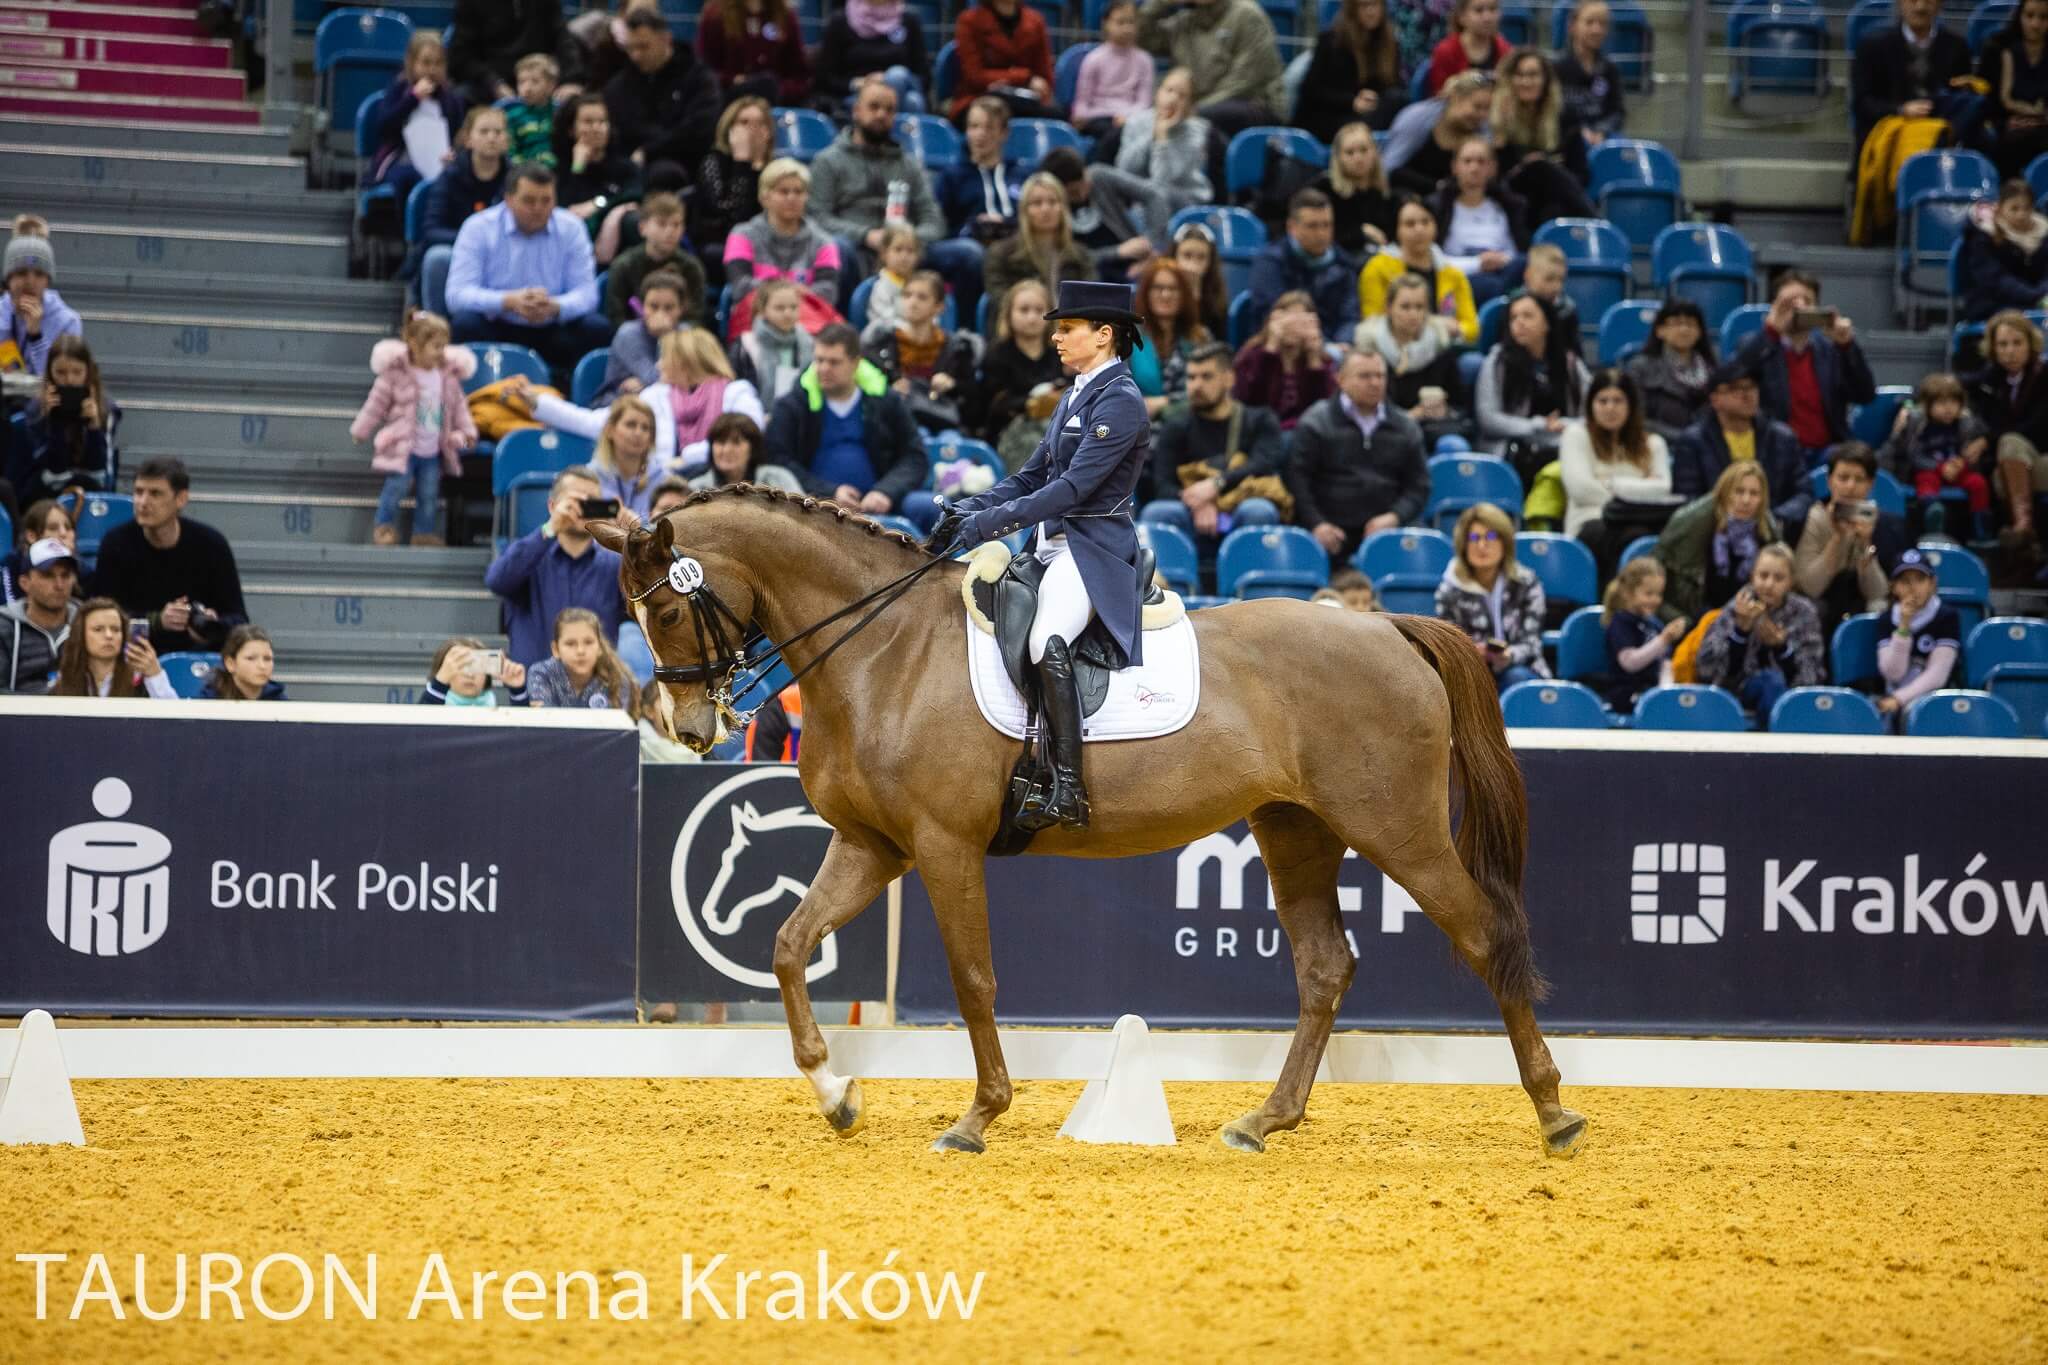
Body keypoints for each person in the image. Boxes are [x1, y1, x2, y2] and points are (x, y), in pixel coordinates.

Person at [922, 280, 1155, 832]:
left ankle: (1069, 786)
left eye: (1067, 328)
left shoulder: (1120, 401)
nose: (1056, 337)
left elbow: (1072, 490)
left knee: (1045, 638)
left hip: (1092, 550)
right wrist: (966, 509)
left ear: (1104, 335)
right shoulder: (1076, 394)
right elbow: (1029, 478)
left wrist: (987, 525)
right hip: (1048, 548)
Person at [445, 164, 611, 378]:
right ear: (509, 199)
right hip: (498, 324)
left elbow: (587, 294)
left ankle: (578, 393)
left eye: (546, 200)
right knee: (465, 324)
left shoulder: (572, 227)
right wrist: (508, 301)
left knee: (596, 327)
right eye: (529, 201)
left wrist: (555, 306)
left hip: (552, 325)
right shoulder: (478, 227)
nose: (538, 208)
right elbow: (457, 295)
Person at [523, 326, 764, 466]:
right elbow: (598, 422)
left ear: (686, 361)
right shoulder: (655, 395)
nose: (658, 365)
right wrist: (539, 402)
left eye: (665, 357)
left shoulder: (737, 392)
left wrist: (688, 458)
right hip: (663, 490)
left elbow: (749, 435)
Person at [763, 323, 927, 513]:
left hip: (879, 507)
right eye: (819, 360)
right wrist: (829, 492)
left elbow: (915, 456)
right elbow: (777, 459)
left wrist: (886, 491)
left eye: (834, 362)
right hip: (811, 508)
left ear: (855, 363)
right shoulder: (792, 404)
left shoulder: (886, 400)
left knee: (926, 506)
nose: (824, 368)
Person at [1285, 348, 1430, 562]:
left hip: (1386, 529)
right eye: (1364, 376)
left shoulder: (1405, 427)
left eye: (1380, 376)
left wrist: (1394, 516)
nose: (1375, 383)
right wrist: (1317, 523)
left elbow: (1419, 486)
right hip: (1329, 532)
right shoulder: (1315, 423)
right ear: (1341, 380)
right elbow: (1297, 481)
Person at [90, 457, 246, 655]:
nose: (142, 502)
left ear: (181, 499)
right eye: (138, 492)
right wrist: (158, 621)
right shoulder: (116, 544)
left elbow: (239, 620)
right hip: (134, 657)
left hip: (199, 659)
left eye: (155, 493)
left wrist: (214, 625)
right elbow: (100, 617)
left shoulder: (211, 544)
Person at [351, 310, 477, 547]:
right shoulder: (395, 375)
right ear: (414, 345)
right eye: (436, 346)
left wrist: (468, 431)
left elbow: (459, 407)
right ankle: (384, 527)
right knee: (396, 487)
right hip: (404, 448)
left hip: (432, 450)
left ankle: (423, 533)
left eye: (444, 346)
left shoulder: (447, 376)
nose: (441, 352)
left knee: (429, 494)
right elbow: (375, 404)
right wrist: (361, 430)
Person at [1145, 341, 1289, 549]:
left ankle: (1247, 571)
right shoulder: (1176, 425)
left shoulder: (1259, 420)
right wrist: (1198, 502)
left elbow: (1262, 464)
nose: (1196, 385)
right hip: (1191, 510)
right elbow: (1163, 484)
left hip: (1240, 505)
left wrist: (1216, 485)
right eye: (1191, 377)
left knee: (1258, 510)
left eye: (1206, 377)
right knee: (1157, 512)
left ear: (1229, 379)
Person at [808, 78, 954, 278]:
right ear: (856, 111)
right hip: (856, 247)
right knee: (838, 248)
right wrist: (866, 235)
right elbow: (818, 218)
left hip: (905, 249)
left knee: (967, 254)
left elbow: (933, 219)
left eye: (889, 109)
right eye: (874, 107)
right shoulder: (827, 161)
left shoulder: (909, 164)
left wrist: (904, 240)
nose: (881, 114)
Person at [483, 464, 625, 667]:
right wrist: (550, 528)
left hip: (597, 684)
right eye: (576, 501)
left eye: (592, 502)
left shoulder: (616, 565)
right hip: (534, 683)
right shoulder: (528, 556)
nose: (583, 509)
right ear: (552, 506)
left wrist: (633, 540)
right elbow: (496, 581)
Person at [1732, 269, 1877, 461]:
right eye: (1790, 302)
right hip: (1774, 453)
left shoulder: (1831, 350)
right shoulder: (1756, 346)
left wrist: (1847, 346)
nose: (1799, 307)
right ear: (1774, 306)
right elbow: (1733, 381)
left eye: (1807, 301)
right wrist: (1771, 332)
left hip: (1827, 453)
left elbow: (1865, 395)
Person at [1560, 369, 1672, 583]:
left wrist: (1610, 484)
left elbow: (1663, 489)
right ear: (1591, 405)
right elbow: (1582, 490)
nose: (1610, 408)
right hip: (1590, 521)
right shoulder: (1576, 436)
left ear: (1631, 405)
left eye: (1618, 401)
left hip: (1639, 523)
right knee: (1629, 535)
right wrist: (1641, 488)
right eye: (1603, 401)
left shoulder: (1654, 444)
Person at [1672, 362, 1812, 531]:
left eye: (1751, 387)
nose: (1746, 394)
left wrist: (1772, 519)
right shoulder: (1692, 442)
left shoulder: (1782, 438)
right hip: (1715, 532)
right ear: (1715, 399)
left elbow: (1804, 492)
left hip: (1774, 528)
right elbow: (1688, 501)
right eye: (1735, 388)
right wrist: (1729, 520)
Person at [1695, 542, 1823, 722]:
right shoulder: (1736, 608)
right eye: (1763, 576)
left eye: (1778, 578)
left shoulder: (1804, 613)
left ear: (1791, 582)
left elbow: (1811, 678)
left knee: (1773, 681)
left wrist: (1782, 648)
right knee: (1770, 681)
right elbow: (1706, 669)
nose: (1769, 584)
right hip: (1737, 695)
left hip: (1792, 699)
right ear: (1752, 576)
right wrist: (1740, 634)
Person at [1434, 500, 1550, 692]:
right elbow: (1449, 647)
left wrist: (1508, 655)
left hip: (1521, 668)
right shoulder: (1449, 590)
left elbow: (1532, 644)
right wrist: (1474, 653)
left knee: (1516, 677)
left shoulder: (1526, 583)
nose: (1481, 545)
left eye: (1490, 536)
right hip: (1471, 670)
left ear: (1505, 543)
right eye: (1474, 537)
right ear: (1464, 545)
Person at [1794, 441, 1905, 637]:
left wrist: (1865, 542)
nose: (1850, 486)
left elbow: (1878, 593)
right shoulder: (1812, 518)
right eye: (1843, 478)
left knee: (1881, 608)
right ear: (1830, 481)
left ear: (1870, 484)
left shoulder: (1887, 525)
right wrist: (1838, 538)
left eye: (1859, 479)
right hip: (1824, 609)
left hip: (1863, 606)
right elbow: (1811, 588)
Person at [1653, 460, 1783, 624]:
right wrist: (1681, 621)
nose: (1746, 500)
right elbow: (1652, 575)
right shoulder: (1693, 522)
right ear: (1724, 492)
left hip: (1750, 616)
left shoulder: (1767, 530)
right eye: (1739, 491)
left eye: (1754, 493)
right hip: (1696, 616)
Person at [1136, 0, 1285, 138]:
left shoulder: (1247, 14)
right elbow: (1137, 36)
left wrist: (1193, 111)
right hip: (1197, 107)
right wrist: (1160, 2)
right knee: (1142, 121)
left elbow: (1244, 82)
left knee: (1198, 120)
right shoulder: (1183, 21)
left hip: (1253, 104)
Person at [1849, 0, 1976, 160]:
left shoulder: (1957, 46)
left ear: (1940, 4)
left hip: (1940, 140)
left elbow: (1963, 99)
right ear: (1900, 3)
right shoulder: (1871, 46)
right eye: (1913, 0)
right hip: (1888, 142)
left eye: (1928, 0)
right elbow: (1862, 103)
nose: (1920, 7)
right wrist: (1900, 110)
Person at [861, 269, 983, 431]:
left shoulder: (958, 349)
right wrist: (889, 390)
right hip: (892, 426)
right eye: (907, 295)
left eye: (922, 297)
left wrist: (952, 385)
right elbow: (865, 394)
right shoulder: (880, 343)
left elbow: (974, 404)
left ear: (939, 307)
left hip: (943, 427)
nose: (912, 303)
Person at [1967, 310, 2048, 553]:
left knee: (2009, 444)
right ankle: (2025, 541)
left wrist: (1987, 440)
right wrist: (1910, 406)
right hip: (2011, 465)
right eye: (2003, 344)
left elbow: (2037, 426)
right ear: (1993, 348)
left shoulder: (2045, 376)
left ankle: (2023, 528)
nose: (2010, 351)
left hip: (2042, 456)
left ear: (2030, 344)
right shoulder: (1989, 380)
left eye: (2017, 343)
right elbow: (1948, 387)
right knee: (2000, 471)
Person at [722, 156, 845, 313]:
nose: (791, 198)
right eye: (783, 191)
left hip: (807, 317)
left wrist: (775, 291)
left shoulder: (823, 242)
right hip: (755, 314)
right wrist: (794, 292)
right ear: (764, 196)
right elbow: (740, 287)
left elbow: (828, 293)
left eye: (798, 191)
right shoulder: (742, 236)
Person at [604, 8, 721, 171]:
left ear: (666, 39)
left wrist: (650, 150)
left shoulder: (698, 78)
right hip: (630, 165)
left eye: (643, 47)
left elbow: (699, 129)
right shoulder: (618, 87)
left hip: (686, 164)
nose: (636, 55)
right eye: (630, 48)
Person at [1476, 292, 1589, 458]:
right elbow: (1488, 419)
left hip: (1564, 444)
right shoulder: (1497, 362)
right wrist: (1538, 425)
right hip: (1513, 449)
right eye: (1513, 318)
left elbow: (1594, 412)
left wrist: (1565, 425)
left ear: (1547, 323)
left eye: (1527, 316)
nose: (1519, 322)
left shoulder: (1569, 363)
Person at [1489, 48, 1595, 222]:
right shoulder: (1498, 116)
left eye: (1533, 75)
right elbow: (1495, 175)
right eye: (1519, 75)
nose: (1526, 82)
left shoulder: (1565, 118)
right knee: (1539, 168)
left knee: (1550, 197)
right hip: (1511, 198)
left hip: (1554, 200)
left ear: (1546, 80)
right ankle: (1594, 222)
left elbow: (1581, 174)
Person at [1358, 194, 1480, 345]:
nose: (1419, 229)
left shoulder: (1453, 274)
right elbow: (1372, 322)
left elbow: (1472, 328)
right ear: (1397, 230)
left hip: (1444, 346)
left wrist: (1458, 330)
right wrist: (1435, 325)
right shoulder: (1377, 269)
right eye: (1410, 224)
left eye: (1426, 222)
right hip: (1394, 346)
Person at [1247, 189, 1360, 347]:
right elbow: (1273, 316)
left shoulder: (1344, 263)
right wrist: (1323, 348)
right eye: (1312, 226)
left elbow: (1350, 316)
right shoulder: (1270, 264)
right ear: (1291, 227)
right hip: (1284, 349)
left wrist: (1343, 344)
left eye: (1327, 225)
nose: (1321, 233)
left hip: (1337, 350)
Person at [1356, 271, 1464, 434]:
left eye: (1419, 307)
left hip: (1436, 429)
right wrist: (1411, 416)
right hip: (1386, 433)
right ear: (1388, 308)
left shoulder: (1441, 346)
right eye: (1405, 307)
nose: (1413, 314)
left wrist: (1446, 411)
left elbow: (1460, 406)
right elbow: (1365, 410)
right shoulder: (1370, 351)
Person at [970, 279, 1065, 462]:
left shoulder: (1061, 352)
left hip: (1056, 428)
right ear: (1008, 314)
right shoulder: (996, 355)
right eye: (1024, 310)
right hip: (1010, 435)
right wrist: (1031, 405)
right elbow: (990, 408)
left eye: (1039, 310)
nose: (1032, 317)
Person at [1039, 146, 1173, 276]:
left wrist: (1151, 242)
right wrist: (1117, 252)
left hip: (1134, 262)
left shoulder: (1099, 176)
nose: (1082, 194)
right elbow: (1067, 258)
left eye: (1084, 183)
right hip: (1086, 271)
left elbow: (1153, 196)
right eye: (1073, 192)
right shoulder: (1051, 209)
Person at [1429, 136, 1531, 305]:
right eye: (1467, 161)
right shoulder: (1437, 207)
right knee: (1489, 286)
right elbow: (1431, 258)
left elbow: (1515, 252)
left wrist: (1500, 260)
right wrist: (1477, 263)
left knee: (1526, 262)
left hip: (1501, 271)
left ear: (1492, 167)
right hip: (1459, 274)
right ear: (1455, 166)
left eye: (1481, 161)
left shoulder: (1509, 206)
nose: (1474, 168)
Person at [1880, 371, 1992, 523]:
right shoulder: (1917, 425)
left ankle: (1981, 523)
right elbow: (1914, 455)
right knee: (1925, 480)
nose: (1948, 409)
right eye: (1941, 403)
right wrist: (1940, 468)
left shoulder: (1967, 423)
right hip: (1929, 470)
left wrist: (1960, 464)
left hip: (1958, 470)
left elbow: (1970, 452)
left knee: (1978, 482)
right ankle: (1933, 513)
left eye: (1953, 403)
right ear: (1927, 405)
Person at [368, 32, 466, 205]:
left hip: (439, 162)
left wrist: (453, 153)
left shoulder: (452, 100)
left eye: (438, 63)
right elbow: (384, 127)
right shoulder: (399, 91)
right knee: (408, 177)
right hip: (400, 161)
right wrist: (412, 99)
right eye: (426, 63)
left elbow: (457, 136)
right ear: (412, 63)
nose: (432, 70)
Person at [16, 334, 114, 498]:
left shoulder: (106, 409)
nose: (69, 380)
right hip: (44, 492)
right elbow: (53, 472)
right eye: (60, 373)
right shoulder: (35, 409)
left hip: (90, 489)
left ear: (88, 372)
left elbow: (98, 472)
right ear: (50, 372)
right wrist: (54, 421)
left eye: (77, 372)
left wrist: (94, 428)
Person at [1874, 547, 1963, 726]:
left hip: (1934, 700)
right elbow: (1893, 674)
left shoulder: (1947, 617)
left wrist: (1899, 699)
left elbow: (1938, 676)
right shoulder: (1886, 619)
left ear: (1932, 583)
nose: (1913, 588)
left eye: (1920, 580)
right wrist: (1904, 626)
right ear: (1893, 586)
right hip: (1890, 697)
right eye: (1905, 581)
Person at [982, 172, 1096, 310]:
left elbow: (1091, 301)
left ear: (1063, 208)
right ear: (1024, 210)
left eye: (1053, 202)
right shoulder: (1001, 255)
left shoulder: (1080, 256)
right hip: (1024, 322)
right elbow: (1001, 304)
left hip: (1070, 322)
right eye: (1037, 203)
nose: (1045, 209)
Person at [415, 106, 510, 271]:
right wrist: (474, 241)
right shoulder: (450, 177)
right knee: (438, 257)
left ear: (506, 139)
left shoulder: (515, 179)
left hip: (502, 252)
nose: (491, 138)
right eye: (484, 131)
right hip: (456, 248)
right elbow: (432, 231)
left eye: (498, 132)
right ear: (468, 139)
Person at [551, 93, 643, 259]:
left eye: (602, 122)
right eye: (588, 122)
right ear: (571, 130)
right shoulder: (560, 169)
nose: (596, 128)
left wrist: (598, 204)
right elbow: (564, 207)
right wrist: (577, 167)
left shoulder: (625, 167)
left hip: (619, 244)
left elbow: (635, 195)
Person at [1299, 0, 1405, 143]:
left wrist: (1374, 99)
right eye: (1364, 6)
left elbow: (1395, 84)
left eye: (1375, 5)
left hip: (1372, 114)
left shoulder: (1390, 44)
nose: (1371, 11)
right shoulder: (1331, 42)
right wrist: (1352, 102)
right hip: (1331, 117)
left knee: (1397, 99)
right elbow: (1311, 90)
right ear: (1352, 9)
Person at [1113, 69, 1214, 214]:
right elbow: (1123, 169)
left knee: (1147, 205)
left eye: (1182, 96)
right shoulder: (1136, 122)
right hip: (1145, 197)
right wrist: (1152, 135)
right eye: (1169, 90)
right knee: (1099, 175)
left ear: (1190, 107)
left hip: (1184, 198)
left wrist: (1162, 137)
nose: (1173, 99)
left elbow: (1161, 184)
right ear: (1158, 93)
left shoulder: (1195, 133)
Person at [694, 97, 774, 279]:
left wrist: (758, 166)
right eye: (744, 123)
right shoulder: (713, 162)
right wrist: (742, 163)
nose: (752, 130)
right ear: (729, 129)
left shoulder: (775, 167)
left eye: (759, 123)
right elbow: (733, 218)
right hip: (720, 241)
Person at [1233, 289, 1336, 430]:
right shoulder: (1252, 354)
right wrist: (1271, 348)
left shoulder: (1322, 360)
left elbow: (1325, 410)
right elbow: (1248, 400)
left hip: (1307, 432)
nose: (1292, 327)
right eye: (1288, 319)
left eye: (1300, 321)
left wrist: (1314, 359)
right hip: (1261, 430)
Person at [448, 0, 579, 107]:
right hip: (488, 82)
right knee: (459, 98)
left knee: (575, 101)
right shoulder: (470, 3)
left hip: (539, 78)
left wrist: (571, 80)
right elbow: (460, 57)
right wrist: (493, 83)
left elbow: (564, 42)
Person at [602, 192, 705, 327]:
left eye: (676, 224)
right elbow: (616, 317)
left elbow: (696, 317)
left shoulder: (691, 267)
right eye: (662, 224)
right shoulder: (624, 265)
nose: (670, 231)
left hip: (678, 334)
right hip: (635, 333)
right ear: (642, 228)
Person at [1598, 556, 1686, 709]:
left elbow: (1665, 663)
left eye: (1659, 594)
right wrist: (1663, 640)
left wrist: (1666, 692)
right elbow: (1629, 663)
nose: (1655, 600)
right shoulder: (1621, 623)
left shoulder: (1655, 624)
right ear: (1627, 593)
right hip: (1626, 694)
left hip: (1652, 692)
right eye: (1649, 594)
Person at [1624, 297, 1716, 442]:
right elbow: (1634, 418)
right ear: (1659, 330)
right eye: (1677, 323)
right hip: (1656, 445)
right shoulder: (1640, 368)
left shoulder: (1713, 372)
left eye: (1691, 324)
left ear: (1700, 332)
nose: (1684, 329)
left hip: (1705, 447)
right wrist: (1683, 438)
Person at [1957, 180, 2048, 325]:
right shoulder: (1983, 235)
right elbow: (1994, 279)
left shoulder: (2043, 233)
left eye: (2027, 208)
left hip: (2035, 302)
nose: (2021, 214)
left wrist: (2042, 293)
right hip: (1991, 304)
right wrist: (2035, 296)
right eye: (2014, 208)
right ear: (1999, 208)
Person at [1389, 71, 1495, 195]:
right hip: (1409, 197)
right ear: (1456, 98)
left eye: (1487, 109)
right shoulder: (1417, 118)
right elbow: (1390, 168)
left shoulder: (1483, 129)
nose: (1483, 115)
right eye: (1477, 107)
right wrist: (1437, 187)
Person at [951, 0, 1057, 122]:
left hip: (1026, 101)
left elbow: (1045, 77)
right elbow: (975, 76)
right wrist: (1025, 77)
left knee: (1057, 118)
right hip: (978, 98)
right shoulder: (969, 21)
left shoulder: (1036, 21)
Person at [49, 598, 175, 700]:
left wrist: (155, 675)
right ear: (80, 635)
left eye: (115, 629)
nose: (109, 635)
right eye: (98, 629)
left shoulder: (141, 679)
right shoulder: (65, 679)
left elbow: (173, 718)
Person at [1130, 257, 1209, 418]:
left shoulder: (1201, 337)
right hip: (1140, 422)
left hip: (1192, 421)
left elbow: (1209, 387)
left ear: (1184, 295)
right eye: (1158, 288)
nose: (1166, 295)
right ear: (1146, 293)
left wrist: (1165, 402)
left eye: (1173, 288)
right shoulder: (1128, 336)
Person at [815, 0, 931, 108]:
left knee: (898, 78)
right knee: (910, 102)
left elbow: (924, 76)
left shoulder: (909, 20)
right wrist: (857, 83)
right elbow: (825, 78)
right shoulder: (840, 22)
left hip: (903, 88)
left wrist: (887, 80)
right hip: (856, 96)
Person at [0, 537, 79, 694]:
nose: (59, 585)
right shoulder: (4, 626)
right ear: (24, 583)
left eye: (65, 575)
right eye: (48, 575)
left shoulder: (87, 622)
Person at [695, 0, 811, 107]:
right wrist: (734, 81)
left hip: (776, 106)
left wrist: (776, 89)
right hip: (729, 105)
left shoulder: (785, 16)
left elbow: (800, 77)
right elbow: (704, 74)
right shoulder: (715, 16)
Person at [2, 230, 81, 379]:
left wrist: (36, 336)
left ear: (47, 282)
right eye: (21, 273)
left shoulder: (67, 322)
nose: (30, 282)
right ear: (8, 279)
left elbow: (63, 380)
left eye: (39, 274)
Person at [598, 269, 686, 403]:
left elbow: (699, 380)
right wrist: (665, 337)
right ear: (642, 306)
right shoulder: (628, 334)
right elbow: (655, 379)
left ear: (681, 309)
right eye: (653, 306)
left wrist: (644, 384)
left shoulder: (687, 333)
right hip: (618, 403)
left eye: (669, 308)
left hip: (667, 403)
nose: (660, 314)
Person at [1072, 0, 1154, 138]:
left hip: (1131, 118)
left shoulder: (1145, 61)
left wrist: (1127, 116)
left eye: (1131, 22)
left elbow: (1144, 102)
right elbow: (1082, 103)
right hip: (1098, 117)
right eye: (1120, 22)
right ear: (1106, 24)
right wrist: (1081, 116)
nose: (1127, 28)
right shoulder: (1093, 59)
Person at [527, 605, 637, 709]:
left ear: (600, 646)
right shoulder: (541, 673)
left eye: (588, 642)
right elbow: (543, 718)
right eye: (570, 644)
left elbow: (619, 722)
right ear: (556, 650)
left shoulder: (616, 680)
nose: (580, 651)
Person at [1314, 122, 1399, 257]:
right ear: (1339, 157)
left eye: (1364, 150)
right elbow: (1319, 234)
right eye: (1350, 152)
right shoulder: (1323, 188)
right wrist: (1361, 232)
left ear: (1375, 152)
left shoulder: (1388, 189)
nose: (1358, 158)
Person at [727, 278, 814, 405]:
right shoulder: (746, 345)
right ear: (762, 310)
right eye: (779, 308)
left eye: (793, 307)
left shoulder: (808, 342)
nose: (788, 313)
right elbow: (737, 389)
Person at [1988, 0, 2048, 178]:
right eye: (2029, 16)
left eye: (2044, 17)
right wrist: (2007, 122)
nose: (2035, 24)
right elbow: (1991, 101)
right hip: (2007, 129)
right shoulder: (1999, 49)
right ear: (2019, 17)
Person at [1554, 0, 1626, 145]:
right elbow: (1552, 111)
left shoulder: (1610, 69)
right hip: (1565, 136)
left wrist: (1601, 131)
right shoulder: (1556, 67)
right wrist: (1578, 131)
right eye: (1589, 22)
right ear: (1572, 27)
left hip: (1602, 137)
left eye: (1602, 24)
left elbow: (1617, 112)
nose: (1596, 30)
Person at [683, 411, 805, 492]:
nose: (727, 450)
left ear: (753, 447)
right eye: (721, 442)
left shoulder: (779, 479)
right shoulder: (696, 489)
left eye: (736, 442)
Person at [1503, 242, 1583, 357]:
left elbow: (1575, 353)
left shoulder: (1567, 309)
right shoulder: (1512, 307)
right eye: (1549, 279)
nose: (1557, 287)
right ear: (1528, 275)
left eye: (1561, 280)